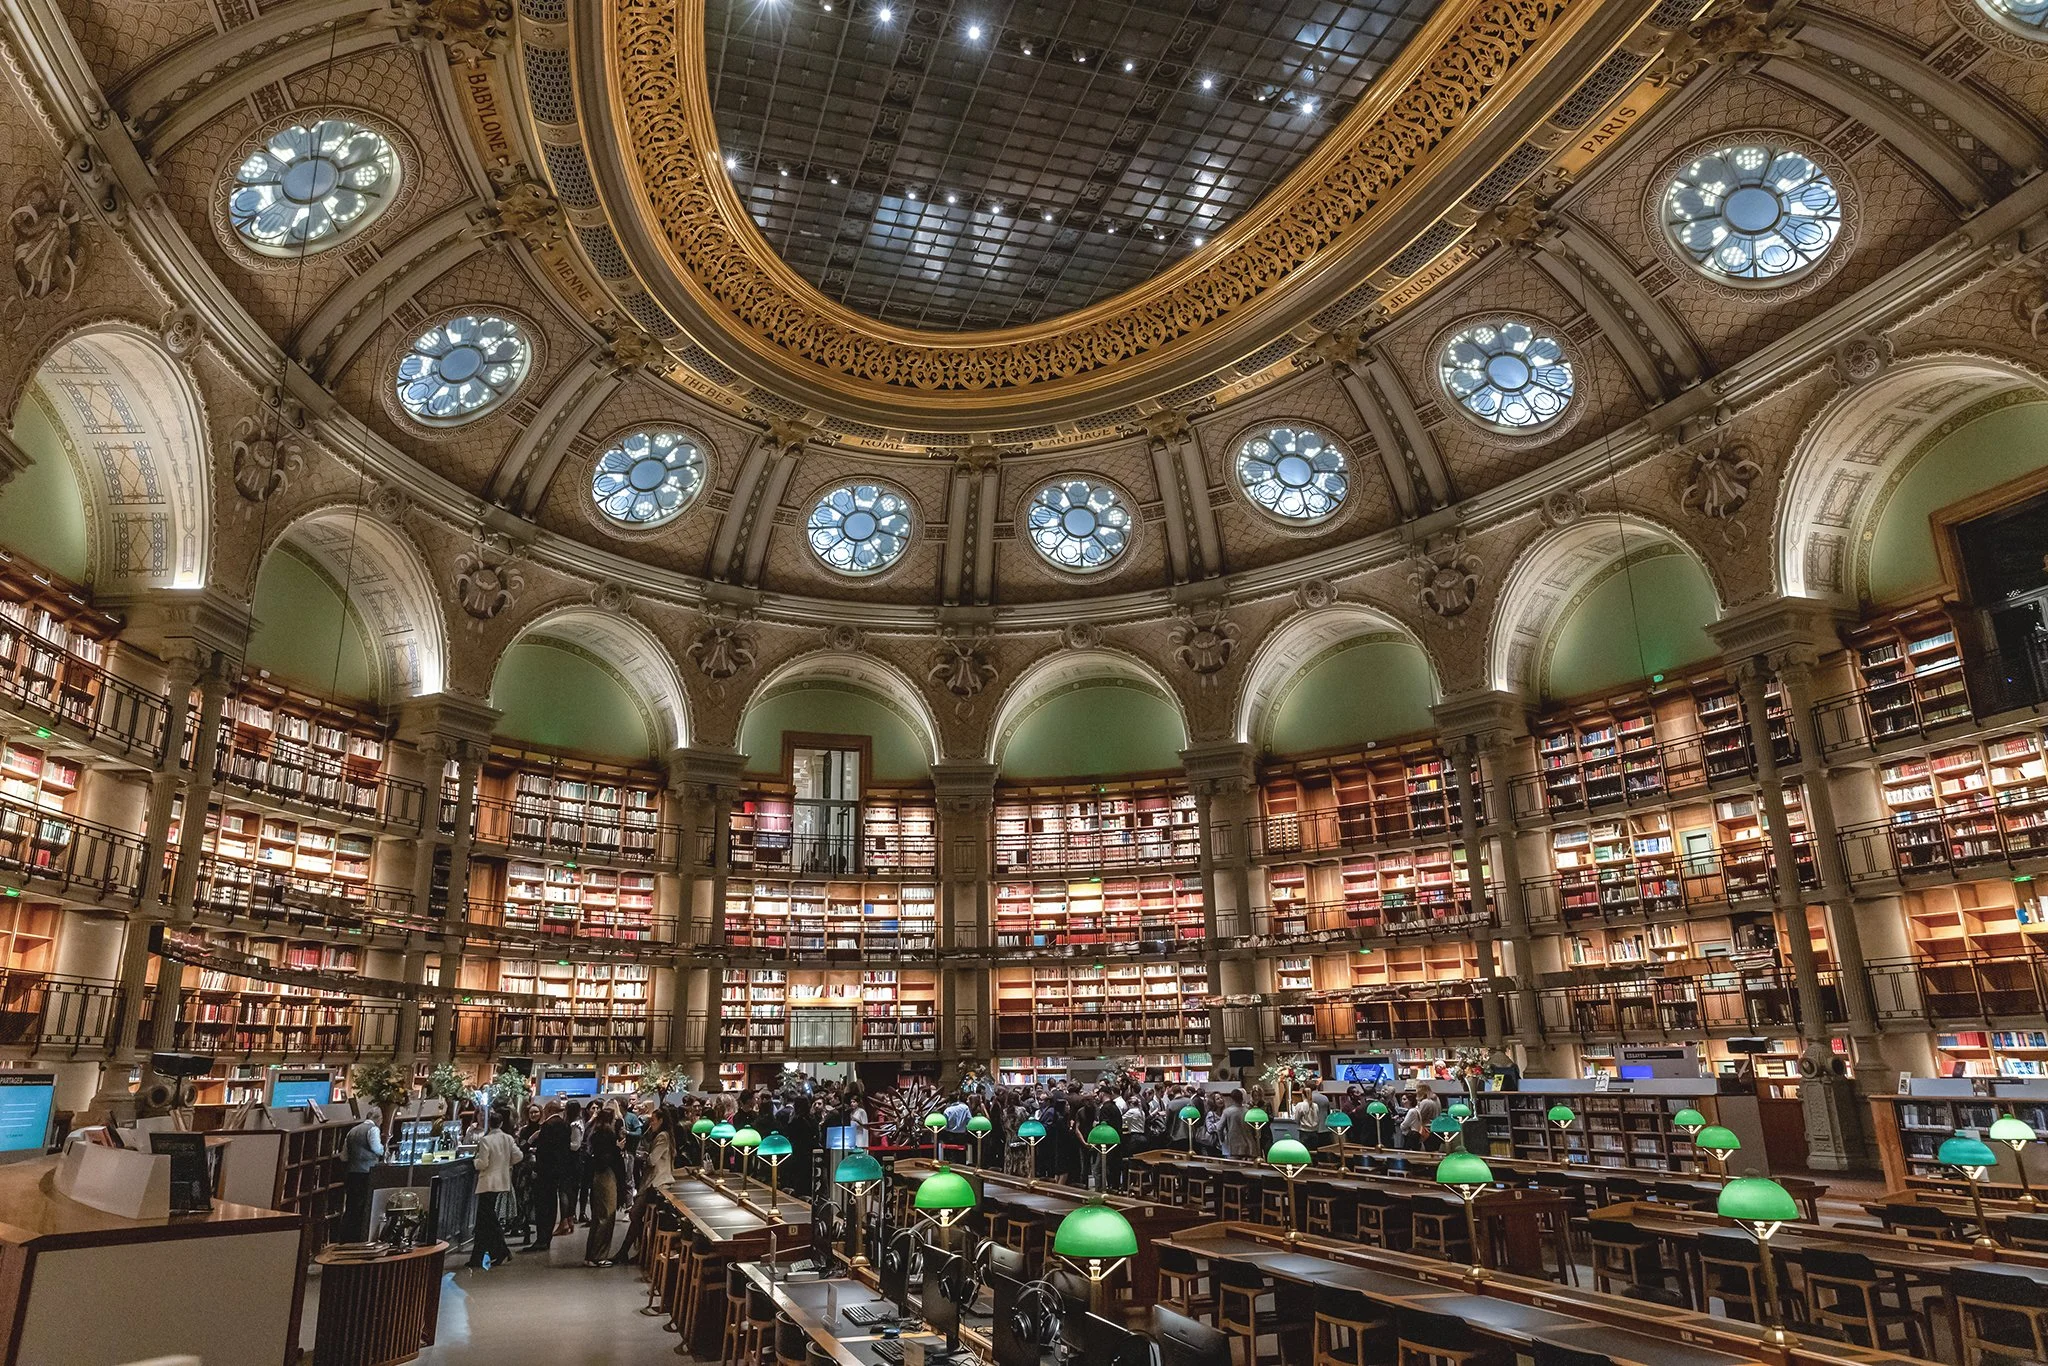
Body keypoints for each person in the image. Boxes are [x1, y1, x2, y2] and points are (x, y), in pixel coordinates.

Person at [610, 1107, 675, 1265]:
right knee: (638, 1216)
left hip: (656, 1182)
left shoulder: (662, 1137)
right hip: (655, 1181)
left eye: (653, 1120)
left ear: (661, 1120)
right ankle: (637, 1251)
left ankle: (633, 1251)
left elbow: (653, 1160)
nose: (650, 1123)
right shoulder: (662, 1136)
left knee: (635, 1213)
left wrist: (643, 1156)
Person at [469, 1109, 522, 1270]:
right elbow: (518, 1155)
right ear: (501, 1123)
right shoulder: (508, 1138)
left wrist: (475, 1162)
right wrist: (508, 1164)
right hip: (502, 1181)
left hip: (488, 1183)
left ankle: (501, 1251)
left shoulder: (486, 1141)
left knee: (488, 1220)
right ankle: (481, 1256)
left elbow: (483, 1163)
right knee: (486, 1220)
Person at [584, 1108, 629, 1265]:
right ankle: (599, 1255)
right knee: (606, 1216)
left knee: (598, 1216)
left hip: (599, 1175)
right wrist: (618, 1149)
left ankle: (591, 1255)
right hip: (606, 1175)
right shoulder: (606, 1134)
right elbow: (607, 1157)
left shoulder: (596, 1132)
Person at [529, 1106, 573, 1250]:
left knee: (543, 1206)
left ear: (547, 1110)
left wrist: (537, 1168)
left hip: (545, 1172)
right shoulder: (565, 1125)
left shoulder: (548, 1126)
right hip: (558, 1171)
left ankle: (542, 1238)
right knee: (552, 1204)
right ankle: (546, 1237)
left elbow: (544, 1152)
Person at [340, 1106, 384, 1243]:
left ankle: (346, 1237)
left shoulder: (352, 1131)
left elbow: (343, 1156)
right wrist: (384, 1150)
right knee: (364, 1206)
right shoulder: (373, 1129)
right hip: (367, 1173)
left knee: (351, 1206)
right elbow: (377, 1148)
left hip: (352, 1173)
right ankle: (361, 1237)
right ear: (378, 1119)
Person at [1398, 1082, 1439, 1151]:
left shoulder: (1426, 1102)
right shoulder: (1435, 1099)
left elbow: (1419, 1116)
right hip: (1433, 1127)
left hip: (1426, 1129)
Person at [1220, 1090, 1252, 1159]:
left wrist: (1222, 1139)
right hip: (1248, 1145)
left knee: (1233, 1167)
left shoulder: (1227, 1112)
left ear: (1232, 1099)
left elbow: (1219, 1127)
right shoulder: (1248, 1111)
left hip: (1233, 1146)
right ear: (1242, 1098)